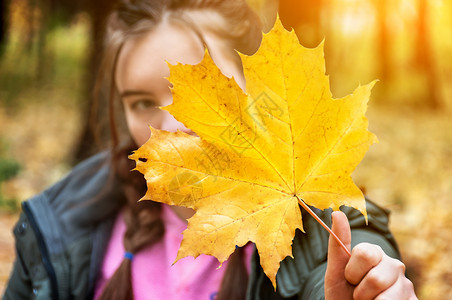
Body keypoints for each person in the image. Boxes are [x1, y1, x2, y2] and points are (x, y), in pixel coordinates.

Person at [3, 0, 417, 299]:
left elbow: (339, 271)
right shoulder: (56, 223)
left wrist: (367, 287)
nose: (169, 127)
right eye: (142, 103)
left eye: (203, 93)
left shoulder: (325, 226)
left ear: (257, 89)